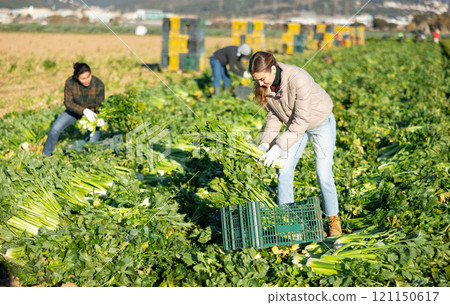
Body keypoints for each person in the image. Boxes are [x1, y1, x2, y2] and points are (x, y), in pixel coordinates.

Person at [249, 51, 342, 237]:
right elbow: (274, 116)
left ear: (273, 69)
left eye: (262, 78)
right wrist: (265, 143)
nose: (260, 83)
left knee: (323, 174)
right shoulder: (265, 86)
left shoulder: (298, 79)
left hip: (320, 122)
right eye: (256, 80)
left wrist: (278, 147)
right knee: (283, 171)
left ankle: (333, 220)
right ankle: (287, 222)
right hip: (294, 127)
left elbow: (301, 121)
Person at [43, 62, 105, 156]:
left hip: (92, 114)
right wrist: (83, 110)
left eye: (88, 76)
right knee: (55, 129)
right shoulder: (70, 82)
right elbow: (68, 103)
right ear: (77, 78)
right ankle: (46, 155)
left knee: (92, 143)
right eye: (83, 78)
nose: (87, 80)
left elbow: (100, 104)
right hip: (74, 111)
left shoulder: (98, 84)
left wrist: (100, 116)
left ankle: (86, 159)